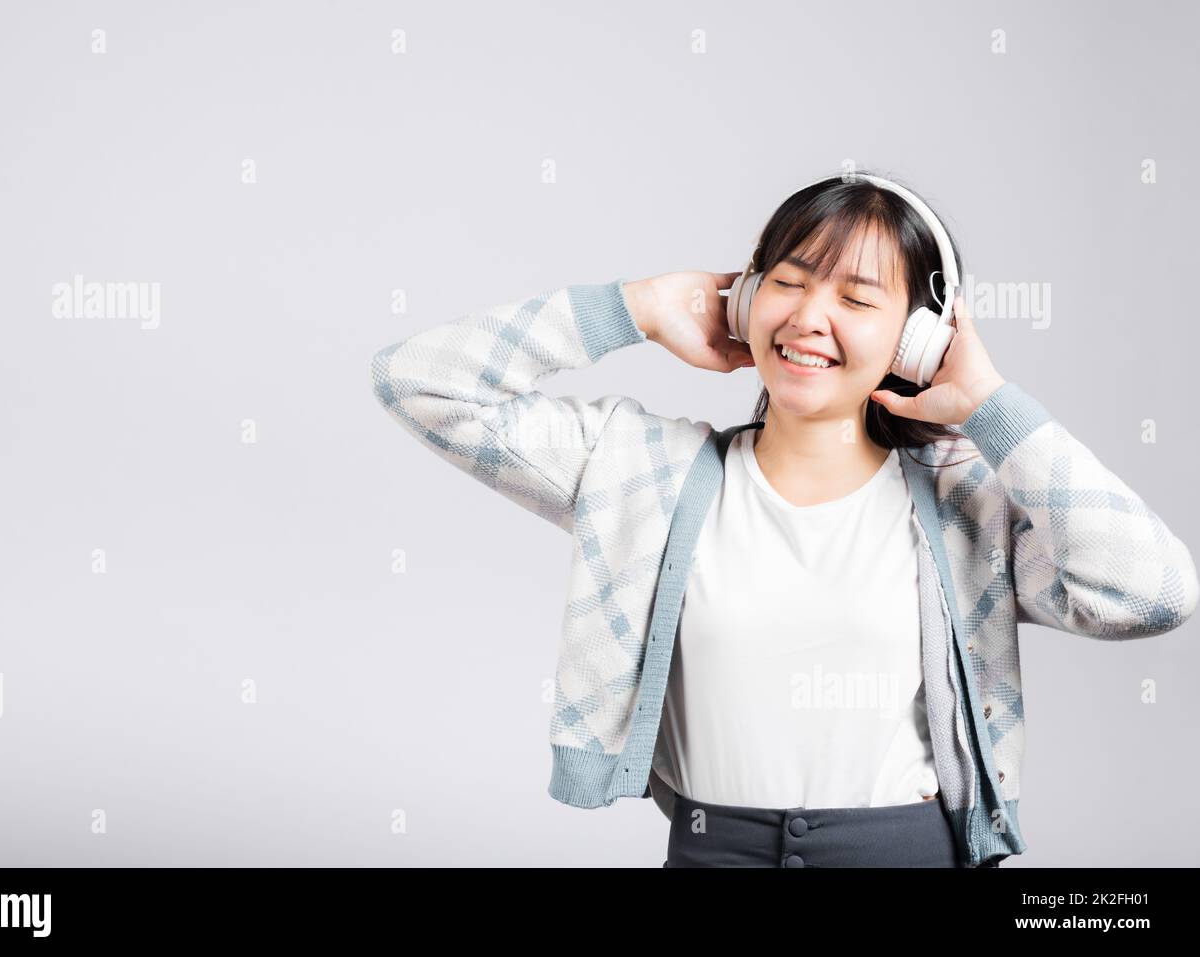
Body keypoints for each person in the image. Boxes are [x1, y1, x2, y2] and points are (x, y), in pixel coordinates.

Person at [370, 172, 1198, 867]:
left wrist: (991, 408)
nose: (809, 316)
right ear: (746, 299)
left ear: (918, 339)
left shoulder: (962, 504)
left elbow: (1153, 591)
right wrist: (638, 307)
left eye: (856, 296)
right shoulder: (639, 472)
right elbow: (417, 381)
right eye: (792, 280)